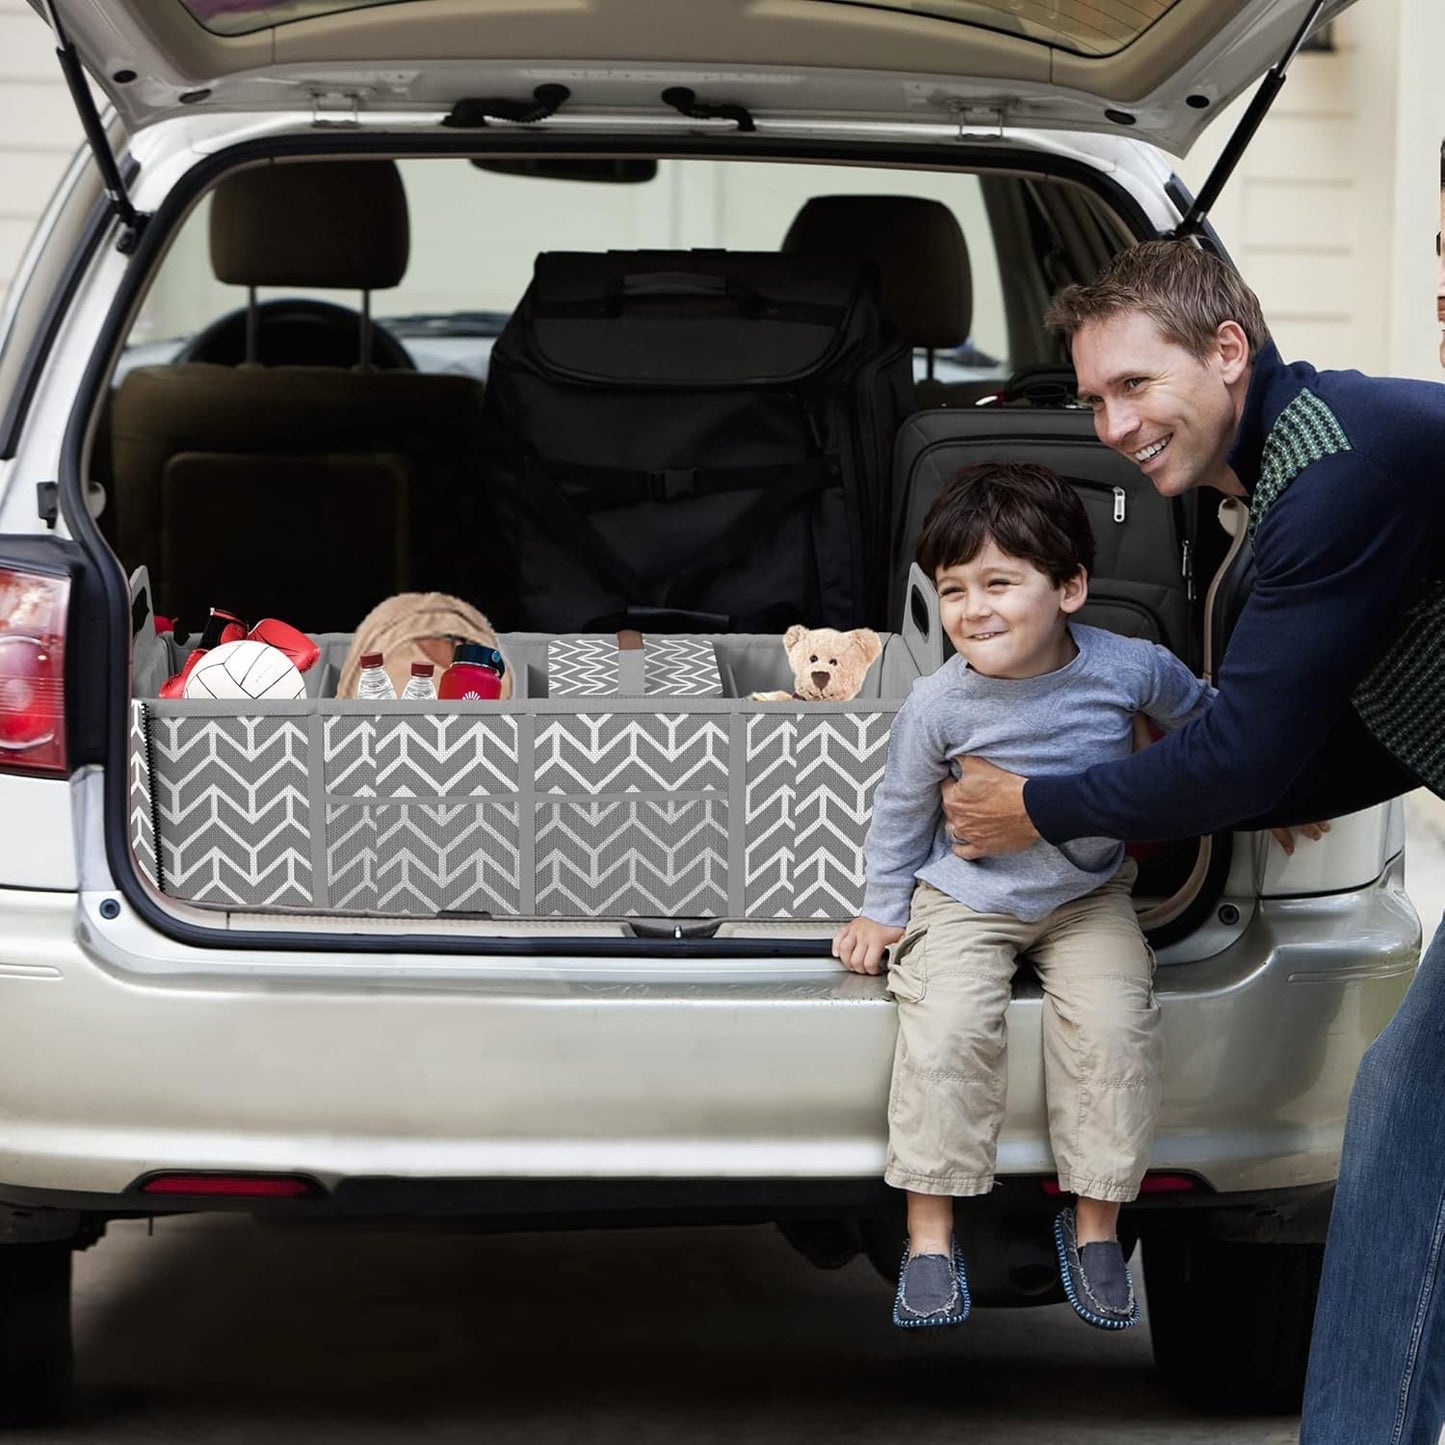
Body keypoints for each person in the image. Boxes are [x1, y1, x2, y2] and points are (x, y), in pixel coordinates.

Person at [940, 239, 1445, 1441]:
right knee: (1407, 1118)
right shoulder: (1299, 460)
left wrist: (1038, 805)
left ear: (1226, 350)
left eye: (1133, 384)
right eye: (1091, 398)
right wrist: (1242, 779)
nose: (1112, 425)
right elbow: (1350, 726)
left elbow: (1244, 755)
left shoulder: (1332, 475)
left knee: (1409, 1122)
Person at [832, 460, 1213, 1331]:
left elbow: (1206, 721)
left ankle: (1096, 1225)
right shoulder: (936, 702)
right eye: (952, 589)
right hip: (966, 895)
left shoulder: (1131, 668)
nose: (973, 609)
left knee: (1114, 1026)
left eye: (998, 582)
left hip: (1087, 895)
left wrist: (1275, 790)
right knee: (948, 1029)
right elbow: (900, 812)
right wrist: (881, 908)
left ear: (1069, 587)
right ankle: (929, 1239)